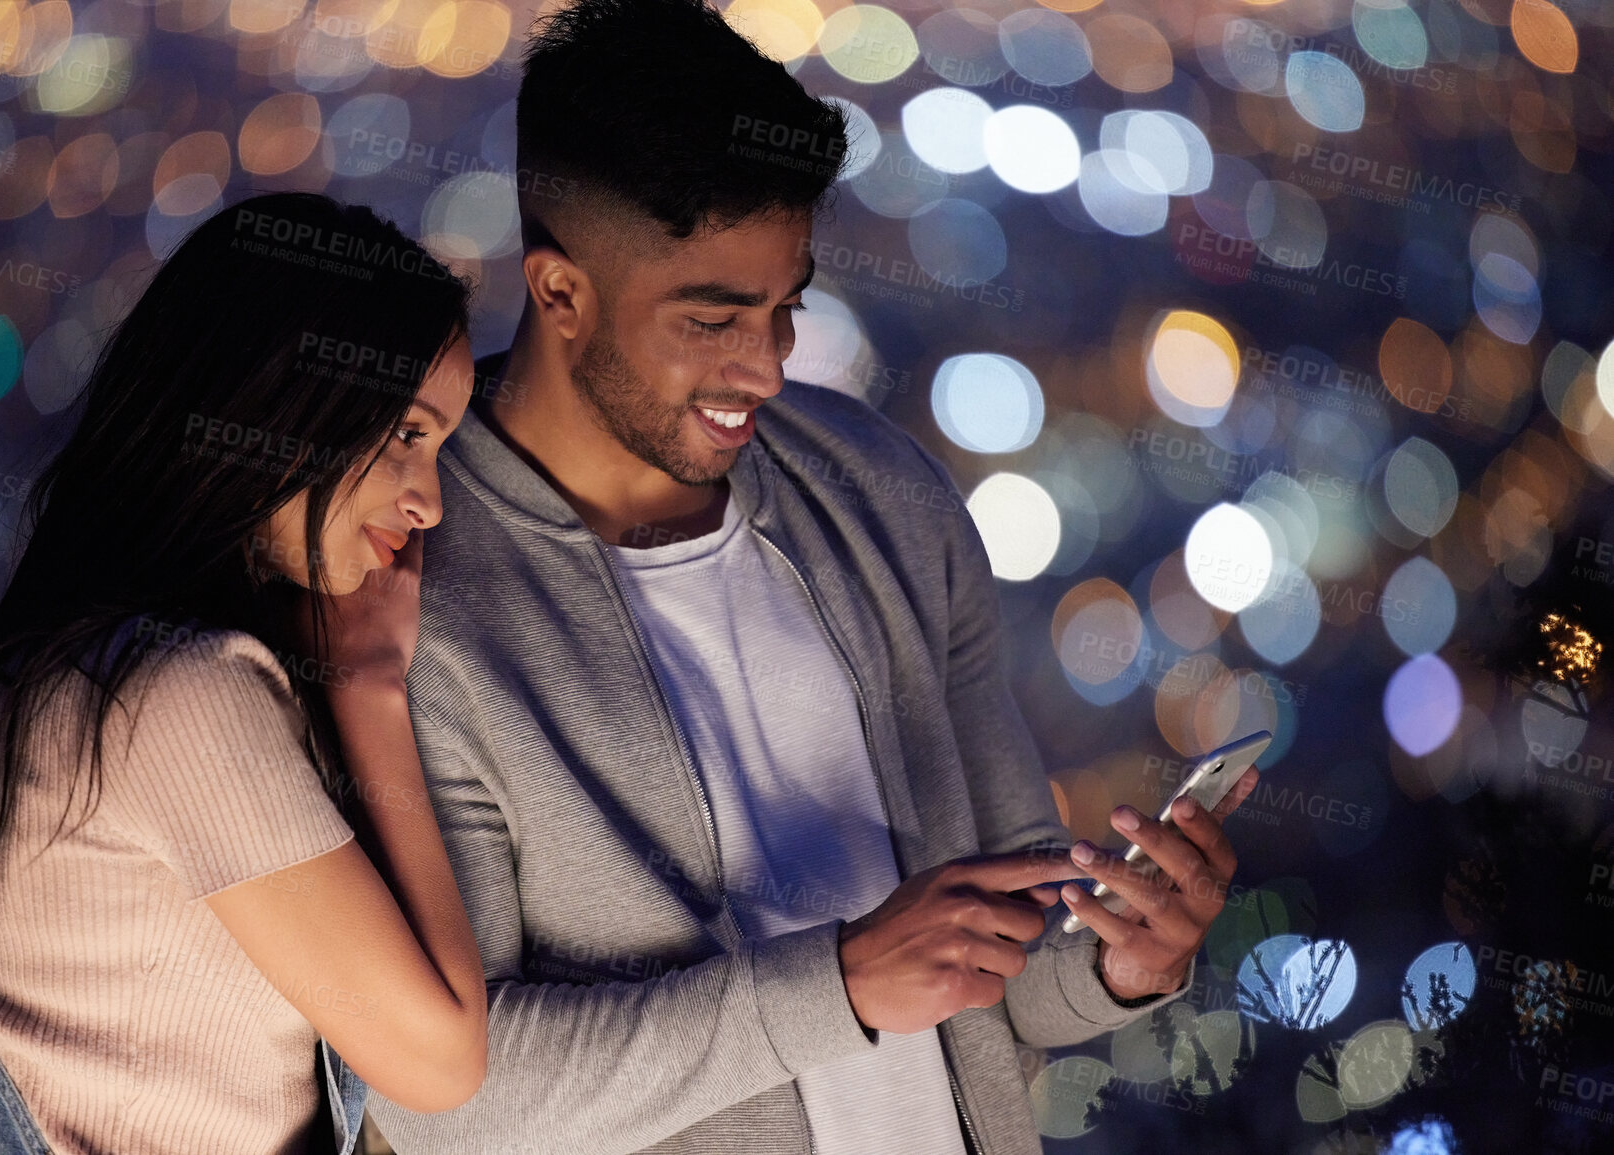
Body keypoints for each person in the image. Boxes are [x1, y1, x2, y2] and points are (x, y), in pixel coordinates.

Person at [363, 1, 1258, 1153]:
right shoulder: (410, 589)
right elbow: (451, 1105)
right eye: (715, 319)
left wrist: (1129, 962)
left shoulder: (882, 494)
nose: (768, 369)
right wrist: (835, 987)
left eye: (786, 309)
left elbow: (1011, 983)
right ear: (560, 292)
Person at [0, 192, 488, 1155]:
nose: (426, 500)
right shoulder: (173, 696)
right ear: (281, 404)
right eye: (406, 436)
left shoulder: (90, 658)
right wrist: (372, 686)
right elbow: (440, 1063)